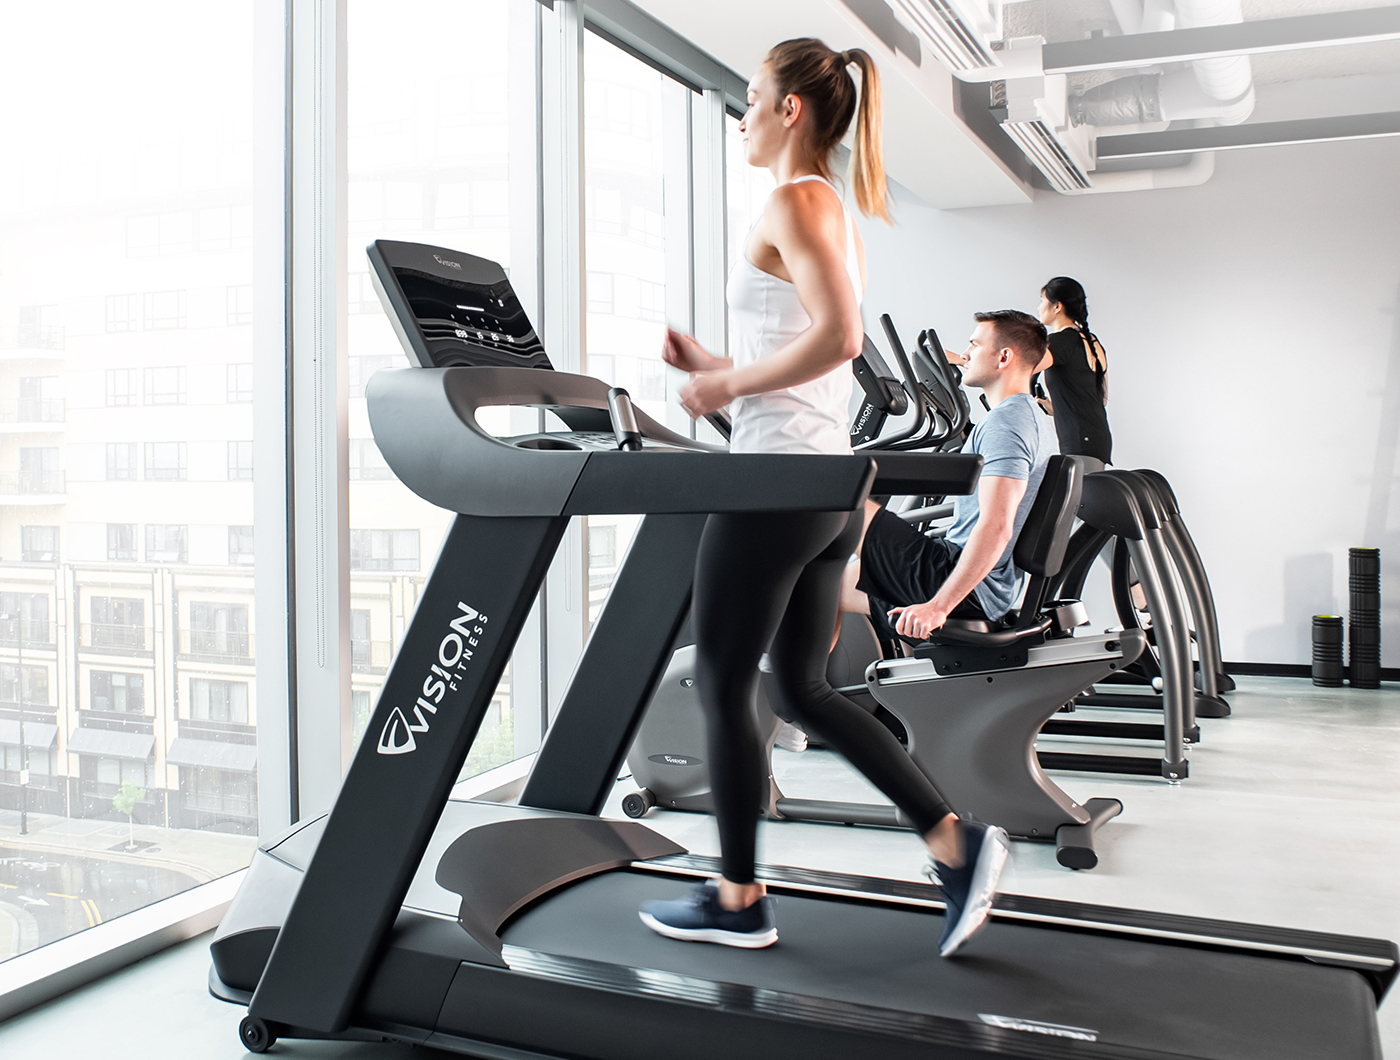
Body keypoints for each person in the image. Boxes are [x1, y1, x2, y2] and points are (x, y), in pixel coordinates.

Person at [637, 38, 1009, 958]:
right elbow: (810, 359)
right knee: (799, 691)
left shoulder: (793, 199)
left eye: (753, 99)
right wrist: (723, 368)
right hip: (825, 484)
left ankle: (736, 898)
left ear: (792, 109)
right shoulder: (827, 206)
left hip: (776, 484)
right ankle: (955, 843)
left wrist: (723, 391)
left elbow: (841, 339)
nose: (742, 117)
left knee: (725, 681)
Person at [840, 311, 1058, 650]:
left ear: (1004, 357)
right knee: (826, 588)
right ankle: (807, 688)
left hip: (959, 578)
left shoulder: (1008, 424)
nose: (966, 354)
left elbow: (997, 525)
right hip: (981, 581)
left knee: (834, 497)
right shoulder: (1031, 417)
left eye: (974, 344)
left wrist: (939, 606)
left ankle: (803, 691)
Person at [1036, 276, 1111, 471]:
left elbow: (1022, 369)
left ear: (1057, 306)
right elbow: (1099, 398)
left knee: (1078, 500)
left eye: (1042, 300)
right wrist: (1056, 408)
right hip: (1096, 437)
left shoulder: (1059, 342)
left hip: (1079, 440)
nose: (1039, 307)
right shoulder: (1093, 342)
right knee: (1081, 499)